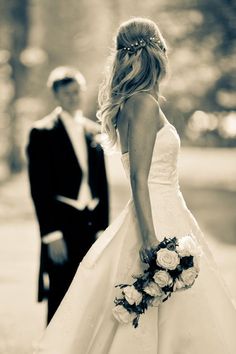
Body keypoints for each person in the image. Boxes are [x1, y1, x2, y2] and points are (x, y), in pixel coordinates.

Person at [35, 18, 236, 353]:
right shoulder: (143, 103)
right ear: (155, 53)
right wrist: (149, 236)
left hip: (167, 208)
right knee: (160, 309)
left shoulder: (139, 101)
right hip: (155, 216)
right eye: (163, 48)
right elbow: (137, 178)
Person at [26, 66, 109, 324]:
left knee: (93, 298)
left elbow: (102, 185)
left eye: (77, 92)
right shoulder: (42, 132)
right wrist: (51, 235)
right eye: (68, 93)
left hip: (91, 224)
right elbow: (39, 189)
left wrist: (103, 229)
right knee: (61, 297)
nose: (74, 97)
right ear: (57, 96)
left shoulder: (93, 130)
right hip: (61, 226)